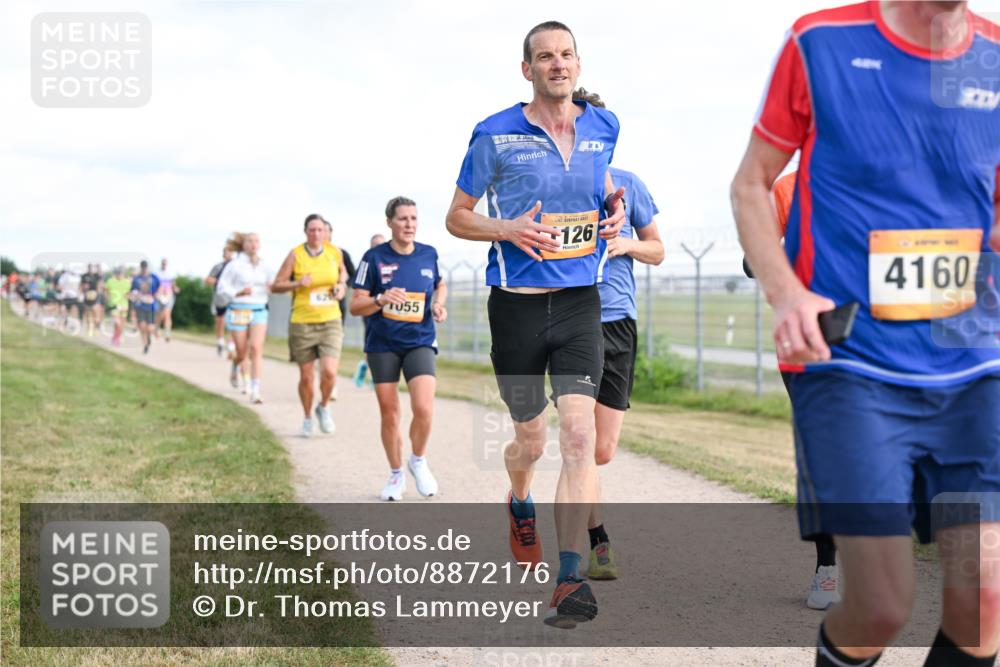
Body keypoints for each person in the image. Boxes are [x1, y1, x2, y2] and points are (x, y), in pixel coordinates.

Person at [731, 2, 1000, 665]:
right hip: (851, 362)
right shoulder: (820, 43)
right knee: (881, 604)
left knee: (984, 602)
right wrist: (787, 293)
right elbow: (751, 184)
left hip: (973, 366)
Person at [445, 21, 626, 628]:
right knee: (532, 442)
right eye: (545, 56)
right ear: (528, 69)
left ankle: (569, 578)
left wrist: (614, 209)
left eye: (566, 54)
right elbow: (457, 216)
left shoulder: (604, 126)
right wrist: (508, 228)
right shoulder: (494, 133)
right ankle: (519, 499)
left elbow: (602, 186)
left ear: (578, 63)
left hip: (579, 303)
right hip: (516, 309)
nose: (557, 64)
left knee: (577, 436)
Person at [568, 88, 666, 582]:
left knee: (601, 450)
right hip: (570, 319)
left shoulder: (630, 184)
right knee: (579, 439)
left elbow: (658, 250)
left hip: (618, 320)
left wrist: (625, 244)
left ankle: (582, 509)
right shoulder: (556, 185)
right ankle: (593, 542)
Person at [351, 197, 447, 501]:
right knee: (390, 413)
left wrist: (438, 303)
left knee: (424, 408)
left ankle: (417, 460)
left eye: (413, 218)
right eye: (403, 218)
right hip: (383, 344)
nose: (409, 224)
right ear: (389, 222)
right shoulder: (373, 258)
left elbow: (440, 284)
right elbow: (355, 305)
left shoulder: (428, 254)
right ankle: (395, 474)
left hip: (420, 340)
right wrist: (380, 299)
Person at [272, 214, 348, 437]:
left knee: (329, 372)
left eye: (320, 230)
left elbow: (342, 274)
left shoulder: (334, 252)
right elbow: (276, 285)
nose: (316, 234)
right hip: (302, 322)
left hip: (330, 320)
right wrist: (298, 283)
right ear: (305, 232)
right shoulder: (296, 254)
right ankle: (307, 418)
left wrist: (341, 287)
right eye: (312, 230)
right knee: (307, 377)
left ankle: (323, 406)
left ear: (325, 232)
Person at [216, 233, 274, 404]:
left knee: (256, 348)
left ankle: (255, 389)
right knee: (242, 352)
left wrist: (273, 287)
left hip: (259, 309)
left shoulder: (265, 265)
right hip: (238, 309)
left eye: (257, 241)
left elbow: (274, 283)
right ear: (243, 245)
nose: (253, 244)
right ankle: (236, 364)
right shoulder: (234, 265)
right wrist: (238, 292)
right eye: (250, 241)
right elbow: (221, 288)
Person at [353, 233, 388, 389]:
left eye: (381, 244)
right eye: (375, 245)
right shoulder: (367, 263)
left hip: (390, 310)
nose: (378, 248)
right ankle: (368, 370)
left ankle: (379, 374)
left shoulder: (392, 261)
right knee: (372, 342)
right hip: (371, 310)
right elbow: (357, 285)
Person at [205, 247, 234, 356]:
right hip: (220, 298)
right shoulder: (218, 267)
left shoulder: (236, 267)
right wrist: (219, 281)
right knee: (220, 320)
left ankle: (231, 344)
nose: (229, 254)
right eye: (227, 252)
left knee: (233, 320)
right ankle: (220, 341)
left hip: (233, 297)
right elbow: (208, 279)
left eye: (230, 252)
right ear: (223, 254)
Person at [129, 260, 160, 354]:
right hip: (140, 305)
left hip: (151, 306)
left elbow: (160, 287)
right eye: (143, 267)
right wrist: (135, 296)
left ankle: (149, 337)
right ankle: (145, 345)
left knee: (150, 328)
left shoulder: (154, 277)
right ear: (141, 267)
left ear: (148, 267)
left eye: (145, 267)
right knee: (142, 326)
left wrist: (156, 294)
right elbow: (133, 291)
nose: (144, 268)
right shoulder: (136, 279)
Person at [104, 266, 132, 346]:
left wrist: (128, 296)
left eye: (121, 273)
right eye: (118, 273)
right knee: (117, 323)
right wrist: (108, 299)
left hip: (124, 305)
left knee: (121, 324)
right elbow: (106, 291)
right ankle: (116, 337)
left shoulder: (127, 282)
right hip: (114, 305)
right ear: (116, 273)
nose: (119, 274)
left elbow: (129, 293)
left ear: (123, 274)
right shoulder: (110, 281)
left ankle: (116, 337)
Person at [154, 258, 179, 342]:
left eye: (165, 264)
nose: (164, 265)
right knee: (159, 315)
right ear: (161, 264)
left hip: (169, 295)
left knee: (167, 314)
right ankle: (156, 328)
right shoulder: (156, 272)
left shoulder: (171, 272)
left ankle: (167, 333)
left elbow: (173, 284)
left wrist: (175, 289)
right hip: (159, 296)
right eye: (163, 263)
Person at [80, 263, 103, 336]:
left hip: (95, 296)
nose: (91, 269)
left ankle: (96, 328)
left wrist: (98, 292)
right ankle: (89, 328)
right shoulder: (84, 276)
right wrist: (82, 292)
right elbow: (81, 285)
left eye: (92, 268)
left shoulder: (97, 276)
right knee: (87, 313)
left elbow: (100, 283)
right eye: (89, 268)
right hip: (87, 296)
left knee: (96, 312)